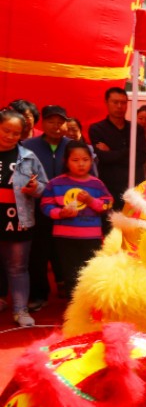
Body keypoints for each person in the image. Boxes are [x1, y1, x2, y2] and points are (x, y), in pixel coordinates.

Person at [40, 140, 112, 299]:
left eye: (85, 160)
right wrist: (60, 213)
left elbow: (107, 204)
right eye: (75, 160)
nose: (81, 164)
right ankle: (73, 305)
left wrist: (91, 201)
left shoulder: (97, 184)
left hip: (91, 237)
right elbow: (45, 205)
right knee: (70, 273)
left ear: (91, 161)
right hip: (65, 237)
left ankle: (89, 304)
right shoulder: (56, 183)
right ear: (66, 161)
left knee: (90, 272)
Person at [0, 109, 47, 326]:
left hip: (18, 220)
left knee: (18, 268)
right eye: (5, 130)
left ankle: (20, 310)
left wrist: (35, 188)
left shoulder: (28, 156)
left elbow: (44, 186)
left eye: (15, 133)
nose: (10, 136)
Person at [21, 105, 69, 308]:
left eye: (60, 122)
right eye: (51, 121)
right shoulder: (28, 146)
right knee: (37, 253)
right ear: (43, 122)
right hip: (37, 207)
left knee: (65, 251)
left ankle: (68, 289)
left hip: (67, 210)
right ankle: (39, 295)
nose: (56, 126)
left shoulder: (73, 146)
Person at [88, 87, 146, 214]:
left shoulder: (136, 129)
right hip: (109, 188)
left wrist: (112, 151)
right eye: (115, 102)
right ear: (107, 103)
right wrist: (129, 152)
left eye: (123, 102)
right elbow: (103, 157)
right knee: (110, 222)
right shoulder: (97, 129)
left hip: (135, 187)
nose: (120, 106)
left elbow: (141, 157)